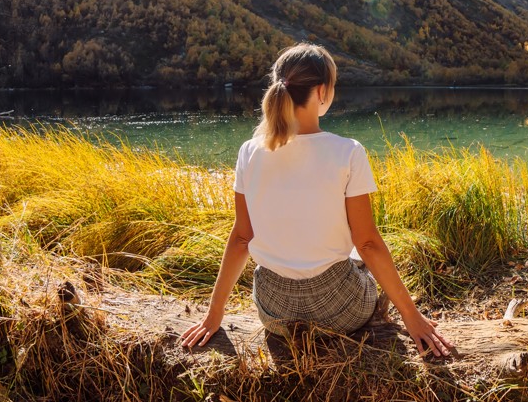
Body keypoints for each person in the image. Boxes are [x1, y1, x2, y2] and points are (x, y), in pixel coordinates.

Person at [180, 43, 453, 357]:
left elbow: (242, 237)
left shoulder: (249, 151)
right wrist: (412, 317)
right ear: (322, 92)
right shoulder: (348, 151)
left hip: (275, 311)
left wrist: (214, 316)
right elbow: (368, 244)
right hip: (339, 308)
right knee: (358, 255)